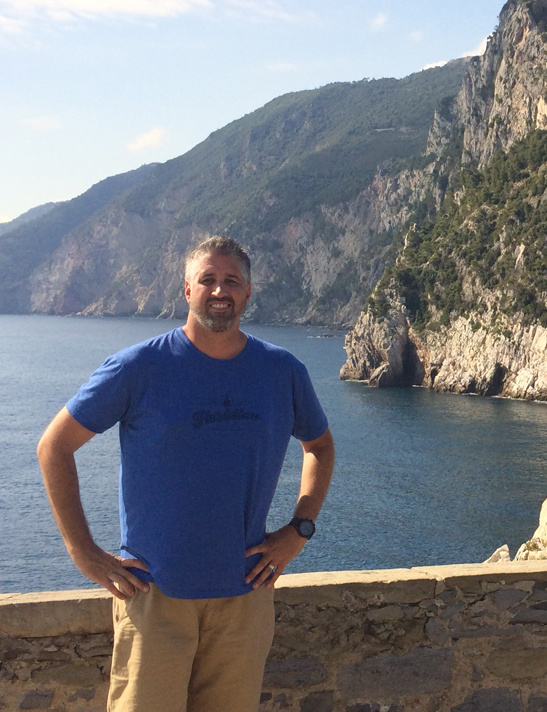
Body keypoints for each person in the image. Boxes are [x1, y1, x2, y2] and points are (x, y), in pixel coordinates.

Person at [37, 235, 335, 712]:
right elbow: (54, 446)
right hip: (154, 596)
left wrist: (299, 529)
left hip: (245, 598)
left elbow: (319, 446)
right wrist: (83, 551)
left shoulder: (282, 371)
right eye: (208, 280)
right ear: (187, 291)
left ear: (248, 292)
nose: (220, 290)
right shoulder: (138, 367)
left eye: (231, 281)